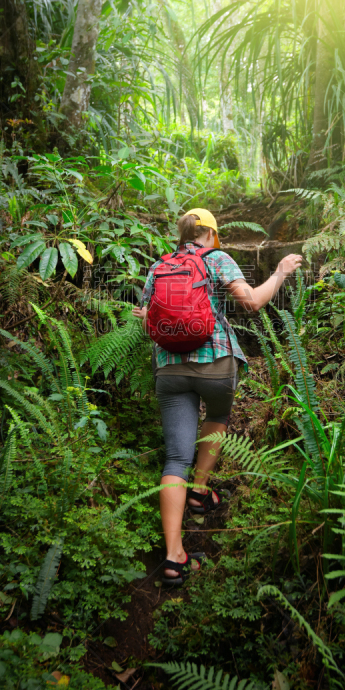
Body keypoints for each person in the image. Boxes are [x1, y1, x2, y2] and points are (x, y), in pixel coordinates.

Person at [133, 208, 303, 586]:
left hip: (169, 370)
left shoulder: (158, 267)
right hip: (216, 364)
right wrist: (279, 273)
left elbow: (148, 322)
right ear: (209, 233)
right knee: (219, 417)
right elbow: (252, 303)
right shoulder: (217, 259)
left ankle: (174, 556)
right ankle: (200, 489)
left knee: (175, 456)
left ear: (182, 234)